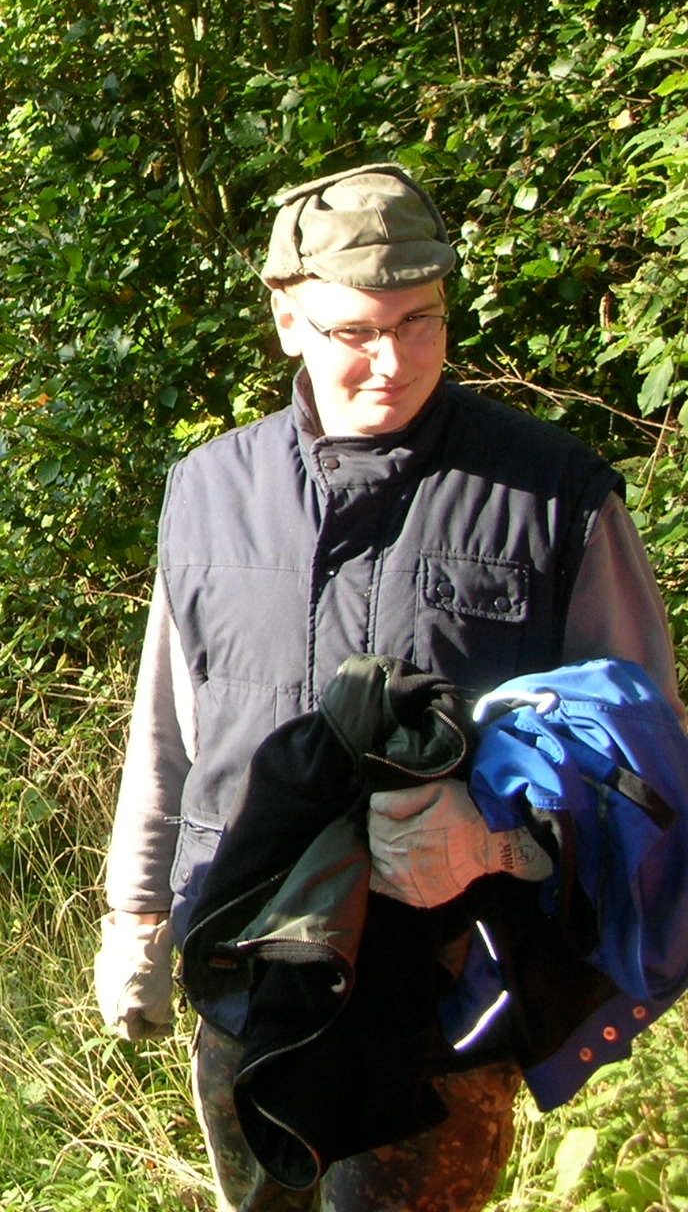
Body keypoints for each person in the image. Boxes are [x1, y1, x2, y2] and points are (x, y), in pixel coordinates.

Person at [95, 163, 680, 1211]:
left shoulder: (552, 493)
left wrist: (494, 836)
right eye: (355, 332)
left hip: (445, 989)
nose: (394, 360)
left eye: (420, 322)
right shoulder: (207, 492)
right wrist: (134, 913)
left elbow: (643, 748)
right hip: (247, 962)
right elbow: (167, 729)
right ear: (288, 321)